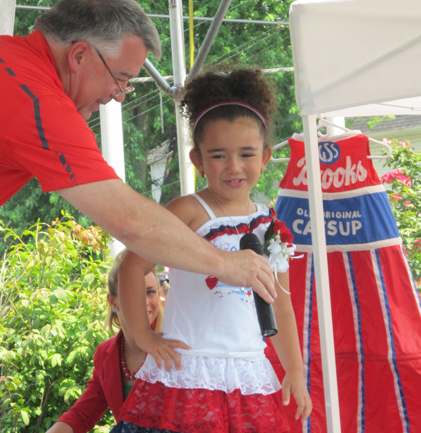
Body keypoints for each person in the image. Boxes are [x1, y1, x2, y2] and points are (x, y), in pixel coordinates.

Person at [0, 1, 278, 432]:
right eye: (120, 79)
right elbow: (130, 221)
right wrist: (226, 264)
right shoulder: (32, 95)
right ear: (79, 54)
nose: (120, 96)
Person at [114, 68, 313, 433]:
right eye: (218, 155)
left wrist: (296, 371)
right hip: (187, 375)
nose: (234, 167)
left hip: (249, 375)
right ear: (198, 160)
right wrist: (142, 336)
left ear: (266, 156)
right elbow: (131, 267)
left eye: (246, 154)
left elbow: (279, 302)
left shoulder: (271, 223)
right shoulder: (187, 211)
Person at [46, 250, 175, 433]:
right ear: (113, 301)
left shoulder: (176, 345)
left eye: (150, 292)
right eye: (134, 292)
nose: (144, 301)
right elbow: (82, 415)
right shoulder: (106, 354)